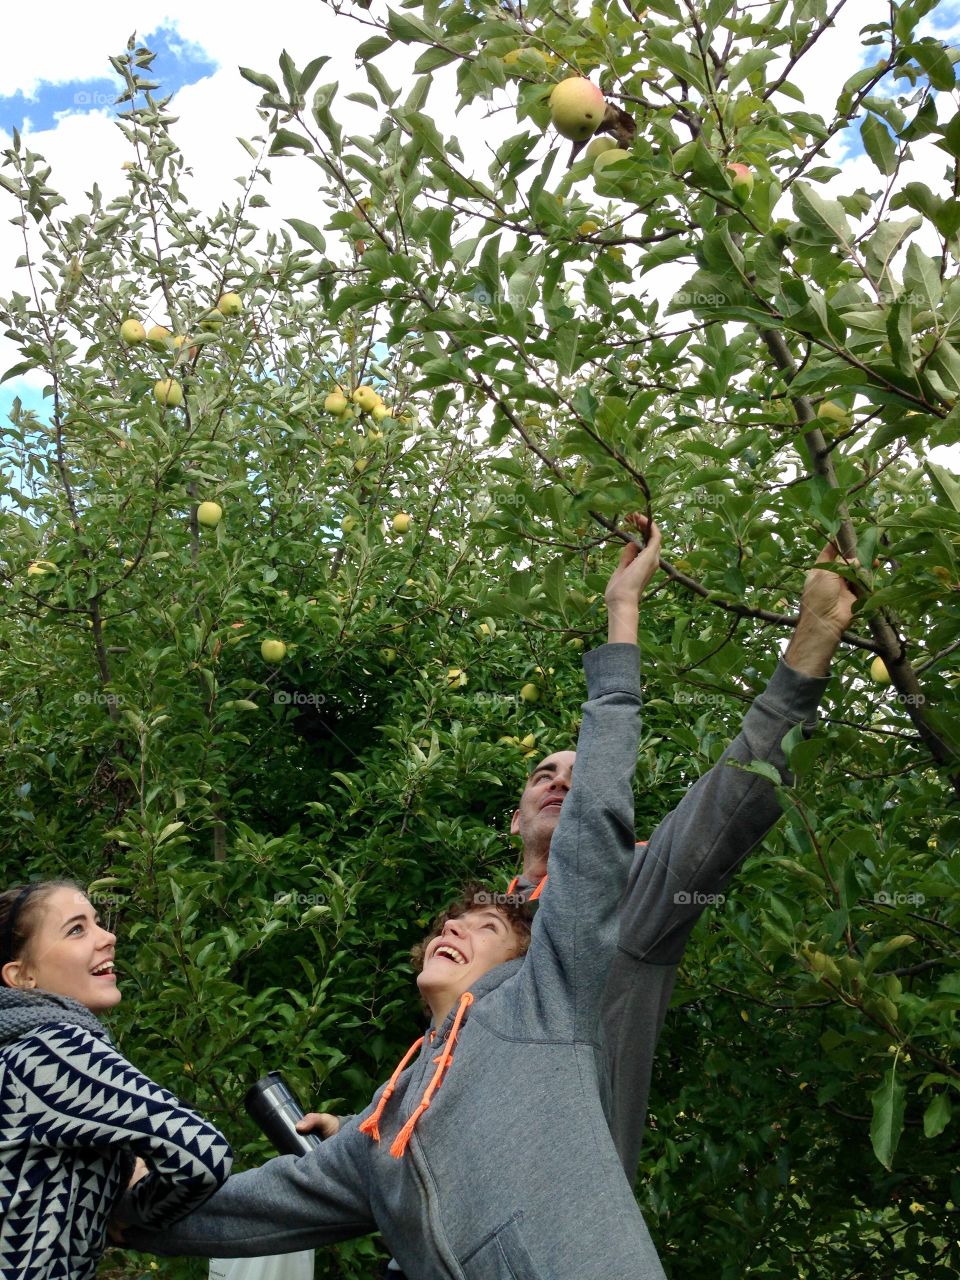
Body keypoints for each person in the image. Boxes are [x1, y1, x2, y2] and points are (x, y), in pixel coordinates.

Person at [115, 513, 670, 1278]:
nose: (454, 930)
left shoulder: (545, 1006)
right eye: (451, 921)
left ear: (523, 959)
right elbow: (238, 1214)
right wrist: (117, 1201)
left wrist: (621, 618)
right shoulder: (381, 1129)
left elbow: (598, 815)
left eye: (482, 926)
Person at [302, 538, 857, 1278]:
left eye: (579, 772)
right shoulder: (476, 938)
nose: (562, 781)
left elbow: (738, 795)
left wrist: (810, 641)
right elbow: (454, 1078)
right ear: (512, 818)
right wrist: (363, 1130)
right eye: (543, 773)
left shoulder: (635, 894)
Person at [0, 879, 233, 1279]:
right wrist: (133, 1214)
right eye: (77, 929)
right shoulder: (53, 1048)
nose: (108, 937)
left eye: (97, 922)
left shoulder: (15, 1051)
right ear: (21, 976)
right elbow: (204, 1155)